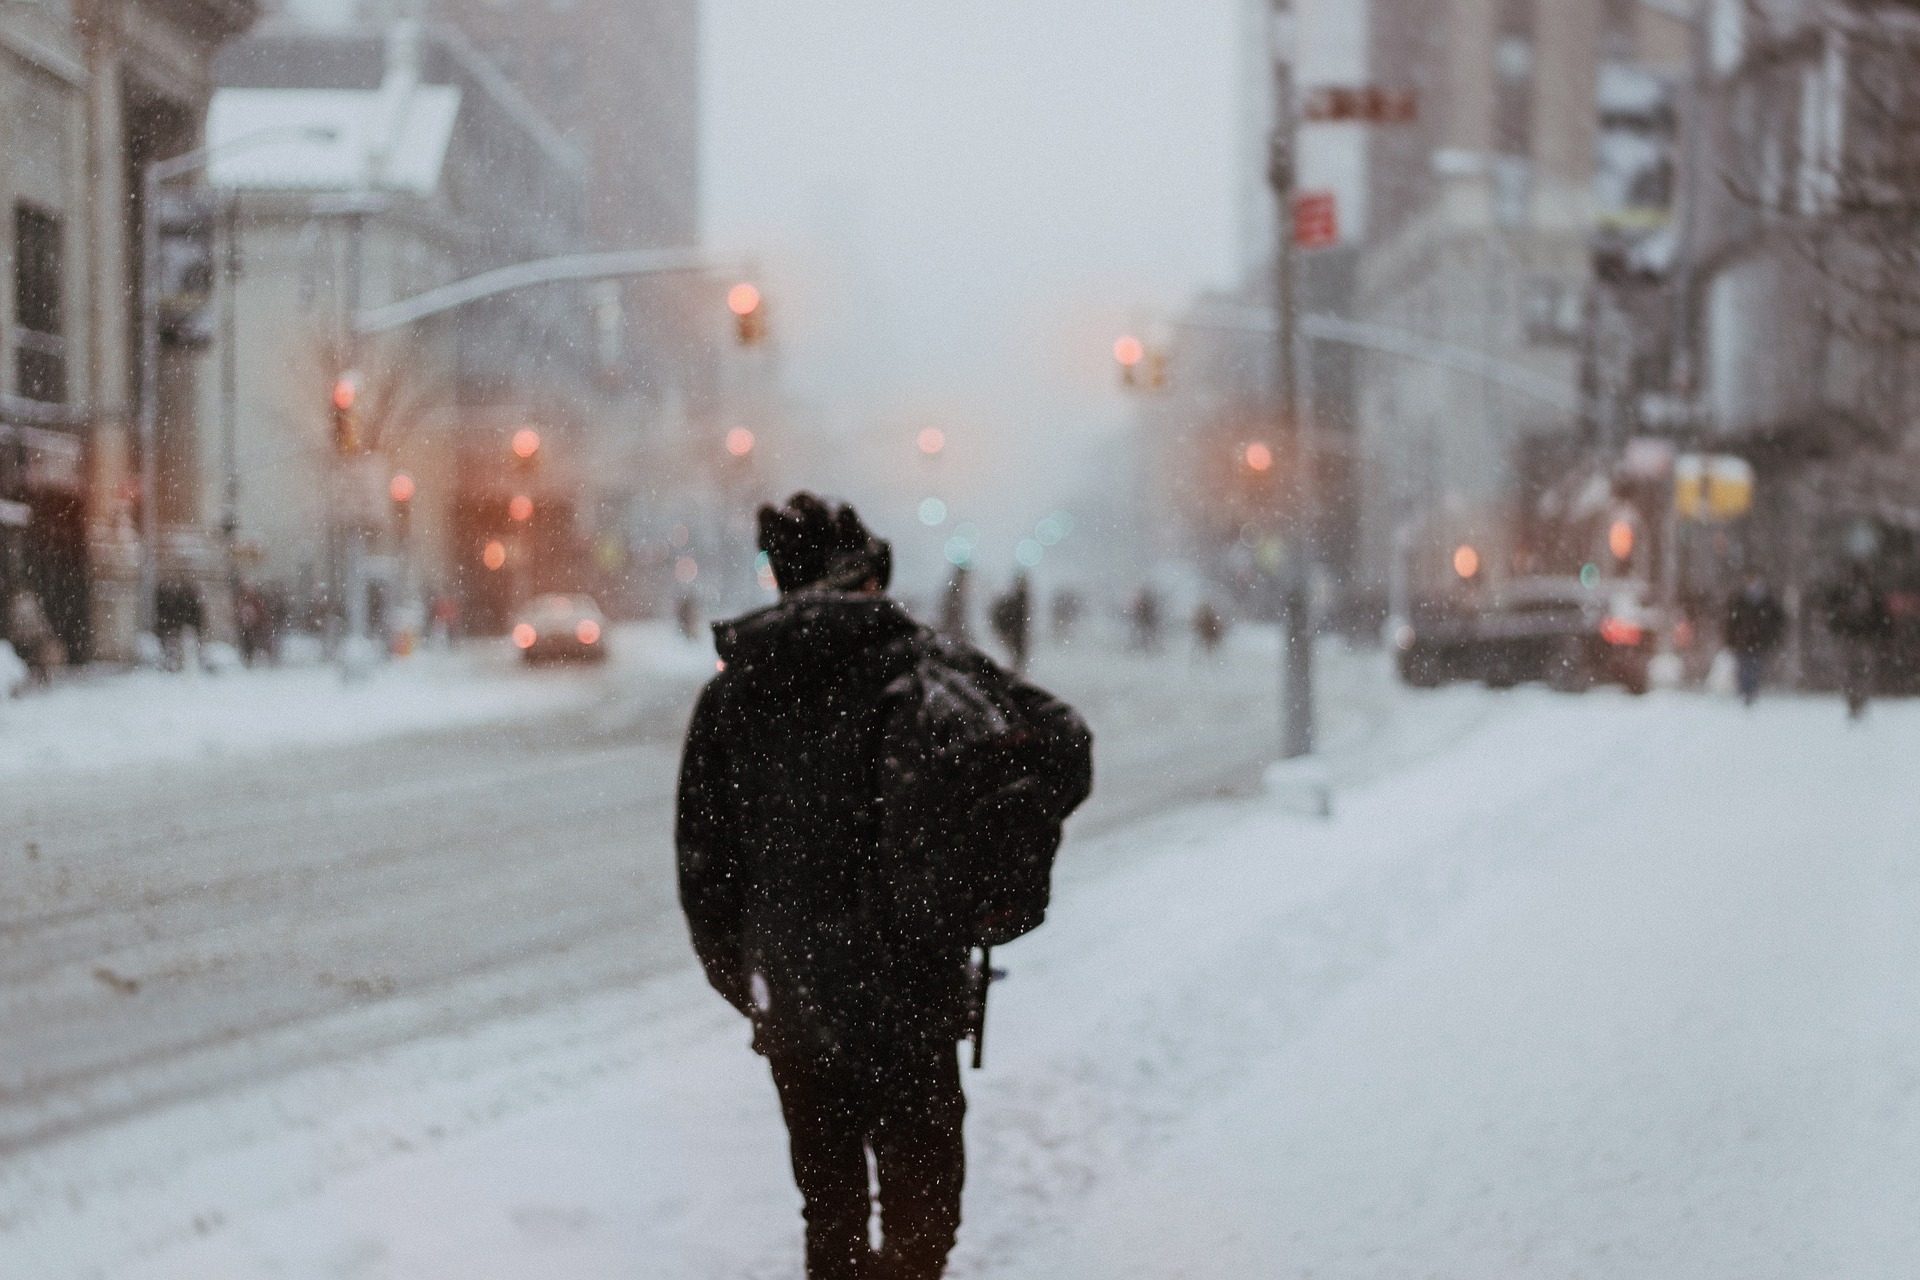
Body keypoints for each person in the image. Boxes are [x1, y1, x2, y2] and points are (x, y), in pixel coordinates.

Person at [676, 492, 1088, 1280]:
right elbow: (1061, 742)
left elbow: (706, 875)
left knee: (830, 1215)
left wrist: (760, 982)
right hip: (912, 986)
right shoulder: (929, 669)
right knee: (921, 1213)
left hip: (798, 998)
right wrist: (994, 865)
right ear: (864, 576)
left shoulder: (732, 696)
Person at [1823, 564, 1893, 718]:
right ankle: (1855, 701)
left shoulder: (1869, 592)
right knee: (1855, 672)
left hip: (1862, 638)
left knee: (1857, 672)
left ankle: (1857, 701)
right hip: (1853, 638)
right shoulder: (1845, 592)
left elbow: (1882, 615)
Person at [1723, 574, 1786, 706]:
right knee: (1744, 668)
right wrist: (1731, 638)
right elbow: (1731, 622)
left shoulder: (1767, 602)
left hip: (1759, 643)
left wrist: (1772, 636)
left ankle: (1751, 692)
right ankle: (1744, 692)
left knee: (1755, 668)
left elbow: (1779, 621)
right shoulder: (1740, 601)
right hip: (1743, 642)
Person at [988, 573, 1032, 674]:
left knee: (1017, 658)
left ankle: (1012, 675)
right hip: (1014, 634)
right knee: (1017, 658)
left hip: (1015, 634)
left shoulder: (1018, 601)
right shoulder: (1015, 601)